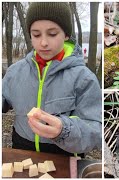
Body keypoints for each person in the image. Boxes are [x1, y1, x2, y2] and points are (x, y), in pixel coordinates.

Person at [2, 2, 102, 157]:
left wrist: (64, 130)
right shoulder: (15, 71)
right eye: (36, 34)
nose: (43, 42)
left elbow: (95, 130)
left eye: (52, 34)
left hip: (64, 155)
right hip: (21, 149)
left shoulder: (83, 78)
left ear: (66, 35)